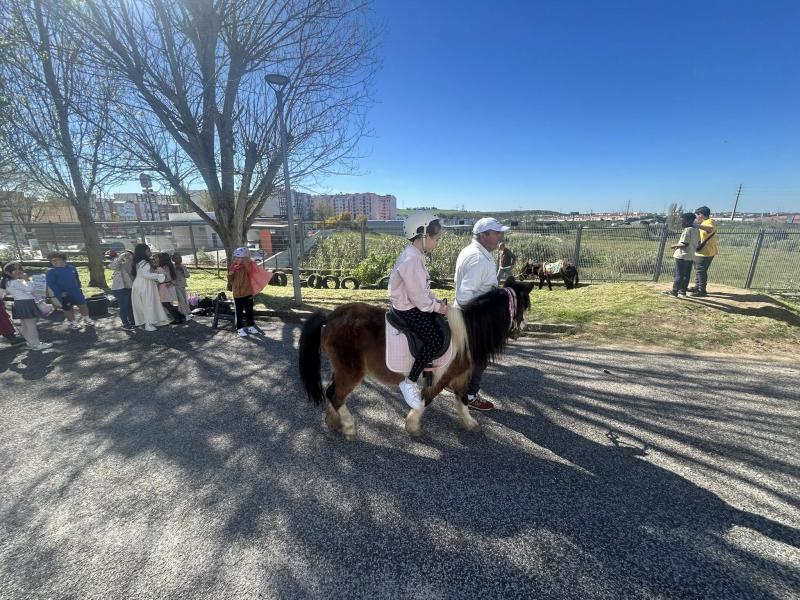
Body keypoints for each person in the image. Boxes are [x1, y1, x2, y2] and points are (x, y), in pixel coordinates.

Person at [389, 211, 448, 410]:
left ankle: (427, 371)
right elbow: (420, 300)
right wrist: (438, 307)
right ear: (423, 235)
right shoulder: (412, 260)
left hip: (412, 302)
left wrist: (435, 300)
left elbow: (422, 290)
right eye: (436, 239)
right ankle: (410, 382)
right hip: (408, 308)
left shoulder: (415, 254)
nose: (437, 243)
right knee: (434, 340)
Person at [453, 217, 510, 411]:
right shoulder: (478, 258)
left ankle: (458, 386)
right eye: (497, 233)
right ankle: (469, 396)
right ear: (484, 236)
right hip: (473, 320)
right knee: (479, 359)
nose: (500, 237)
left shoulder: (474, 251)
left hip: (468, 317)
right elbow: (464, 296)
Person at [1, 263, 53, 351]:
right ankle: (36, 344)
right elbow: (30, 289)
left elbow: (2, 294)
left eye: (19, 268)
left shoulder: (8, 282)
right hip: (26, 303)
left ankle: (30, 343)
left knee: (25, 325)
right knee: (31, 325)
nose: (18, 271)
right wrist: (27, 279)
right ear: (7, 272)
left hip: (19, 303)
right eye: (15, 269)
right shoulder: (15, 282)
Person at [45, 252, 94, 330]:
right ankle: (73, 323)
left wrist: (78, 285)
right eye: (52, 261)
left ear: (63, 260)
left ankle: (87, 319)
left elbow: (76, 277)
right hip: (63, 294)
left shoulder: (72, 268)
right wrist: (60, 292)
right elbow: (51, 284)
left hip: (76, 291)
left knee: (83, 305)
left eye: (55, 260)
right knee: (68, 308)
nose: (53, 262)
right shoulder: (51, 272)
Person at [130, 243, 169, 331]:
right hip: (145, 285)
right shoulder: (145, 263)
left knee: (145, 304)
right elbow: (146, 274)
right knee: (148, 304)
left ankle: (152, 321)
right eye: (148, 250)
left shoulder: (139, 262)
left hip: (139, 284)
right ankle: (149, 324)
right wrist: (159, 276)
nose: (150, 251)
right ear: (143, 252)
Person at [665, 212, 700, 298]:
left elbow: (685, 243)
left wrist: (675, 246)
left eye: (683, 221)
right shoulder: (697, 230)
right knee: (686, 274)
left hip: (682, 255)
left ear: (688, 221)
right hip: (691, 255)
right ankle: (682, 291)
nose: (681, 223)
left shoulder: (687, 230)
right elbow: (698, 243)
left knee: (679, 274)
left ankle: (674, 291)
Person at [228, 247, 261, 337]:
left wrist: (247, 259)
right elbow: (230, 280)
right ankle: (240, 328)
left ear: (244, 258)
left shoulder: (248, 265)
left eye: (240, 258)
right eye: (236, 258)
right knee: (238, 312)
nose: (238, 260)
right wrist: (230, 274)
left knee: (249, 310)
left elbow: (253, 270)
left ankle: (251, 326)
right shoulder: (233, 266)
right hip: (237, 293)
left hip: (247, 292)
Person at [692, 206, 717, 297]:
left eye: (697, 215)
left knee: (701, 271)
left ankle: (701, 290)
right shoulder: (704, 222)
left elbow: (709, 229)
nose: (696, 217)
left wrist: (694, 225)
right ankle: (697, 287)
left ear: (701, 215)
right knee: (700, 270)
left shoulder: (710, 221)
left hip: (705, 251)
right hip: (706, 250)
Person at [156, 253, 186, 324]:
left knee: (165, 302)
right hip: (171, 286)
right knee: (174, 302)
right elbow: (174, 277)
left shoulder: (161, 268)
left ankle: (178, 317)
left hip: (164, 287)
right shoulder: (171, 266)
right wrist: (171, 282)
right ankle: (179, 316)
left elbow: (162, 278)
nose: (156, 259)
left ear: (161, 259)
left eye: (157, 258)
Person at [108, 250, 135, 330]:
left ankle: (132, 321)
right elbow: (112, 266)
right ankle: (125, 324)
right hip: (119, 288)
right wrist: (121, 256)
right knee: (124, 307)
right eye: (126, 255)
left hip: (129, 288)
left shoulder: (133, 265)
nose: (127, 257)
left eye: (129, 255)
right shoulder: (120, 264)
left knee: (130, 306)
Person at [171, 253, 192, 320]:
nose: (178, 259)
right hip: (175, 285)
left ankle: (184, 312)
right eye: (176, 258)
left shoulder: (183, 266)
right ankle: (180, 312)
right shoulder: (172, 267)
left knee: (183, 299)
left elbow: (187, 275)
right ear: (173, 259)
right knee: (177, 300)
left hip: (182, 285)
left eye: (179, 258)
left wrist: (183, 271)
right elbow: (171, 276)